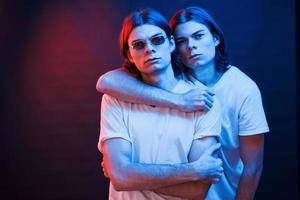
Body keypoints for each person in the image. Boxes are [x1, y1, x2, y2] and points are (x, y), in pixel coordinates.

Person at [97, 6, 269, 200]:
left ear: (215, 38)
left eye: (198, 36)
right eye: (182, 40)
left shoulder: (239, 90)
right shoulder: (168, 83)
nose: (191, 46)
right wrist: (179, 101)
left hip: (222, 193)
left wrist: (131, 177)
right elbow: (105, 82)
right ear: (175, 45)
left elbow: (252, 167)